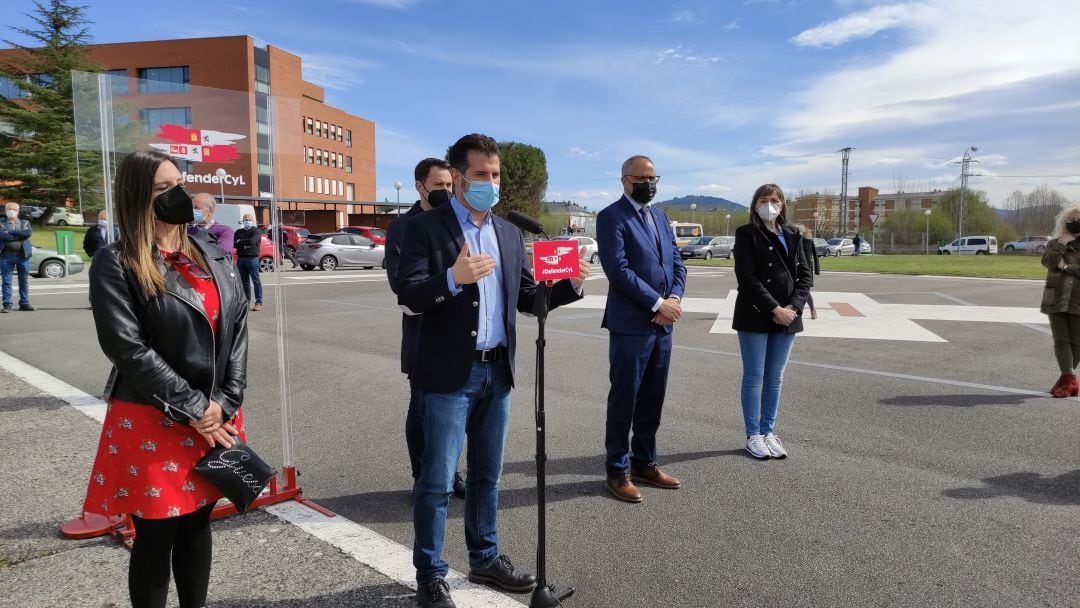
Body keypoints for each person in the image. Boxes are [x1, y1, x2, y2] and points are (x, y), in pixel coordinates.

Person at [397, 134, 588, 608]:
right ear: (458, 177)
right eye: (481, 175)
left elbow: (526, 299)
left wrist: (568, 287)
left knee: (488, 475)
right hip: (447, 376)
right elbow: (409, 293)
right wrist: (452, 280)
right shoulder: (424, 228)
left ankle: (484, 557)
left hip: (497, 372)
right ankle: (430, 574)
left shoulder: (507, 233)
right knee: (438, 482)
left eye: (496, 175)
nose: (490, 183)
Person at [83, 149, 249, 608]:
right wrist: (196, 409)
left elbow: (235, 326)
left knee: (198, 523)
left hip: (215, 410)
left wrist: (227, 400)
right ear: (138, 196)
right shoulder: (115, 262)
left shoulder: (210, 252)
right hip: (153, 415)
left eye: (179, 183)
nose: (178, 195)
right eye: (163, 188)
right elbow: (126, 348)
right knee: (155, 535)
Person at [595, 155, 686, 504]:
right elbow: (618, 270)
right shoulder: (611, 217)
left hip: (663, 326)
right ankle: (617, 471)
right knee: (625, 399)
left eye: (653, 177)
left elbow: (676, 262)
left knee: (652, 399)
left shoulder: (660, 217)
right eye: (641, 177)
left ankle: (644, 462)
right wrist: (657, 303)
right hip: (632, 326)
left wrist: (674, 297)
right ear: (624, 180)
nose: (649, 183)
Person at [385, 157, 465, 499]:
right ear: (420, 186)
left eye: (450, 185)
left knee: (455, 411)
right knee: (421, 408)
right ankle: (422, 475)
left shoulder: (458, 221)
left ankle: (450, 472)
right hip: (424, 330)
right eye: (439, 186)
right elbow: (401, 284)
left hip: (461, 329)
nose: (446, 191)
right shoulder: (405, 227)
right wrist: (449, 282)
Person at [732, 184, 812, 460]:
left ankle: (769, 431)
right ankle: (753, 434)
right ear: (755, 205)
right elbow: (747, 277)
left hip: (788, 315)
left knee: (775, 378)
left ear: (783, 205)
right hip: (756, 312)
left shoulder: (793, 234)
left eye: (775, 200)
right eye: (764, 200)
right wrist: (774, 308)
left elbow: (805, 275)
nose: (769, 205)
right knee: (755, 377)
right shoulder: (746, 234)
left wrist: (793, 306)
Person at [1040, 205, 1080, 397]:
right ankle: (1069, 379)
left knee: (1077, 342)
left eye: (1078, 220)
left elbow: (1062, 267)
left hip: (1077, 299)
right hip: (1055, 297)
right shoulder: (1055, 242)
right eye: (1070, 220)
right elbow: (1048, 262)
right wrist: (1061, 243)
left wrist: (1067, 267)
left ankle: (1067, 379)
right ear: (1064, 223)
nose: (1074, 223)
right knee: (1061, 340)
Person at [1, 202, 34, 313]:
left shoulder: (25, 223)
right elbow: (2, 236)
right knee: (6, 281)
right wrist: (18, 235)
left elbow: (27, 234)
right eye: (9, 209)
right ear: (5, 211)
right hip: (6, 256)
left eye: (14, 209)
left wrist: (10, 232)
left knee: (24, 281)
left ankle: (24, 303)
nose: (11, 211)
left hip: (23, 256)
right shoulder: (1, 223)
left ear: (18, 211)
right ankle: (7, 304)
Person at [233, 213, 264, 311]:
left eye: (249, 220)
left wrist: (240, 242)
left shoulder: (256, 231)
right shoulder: (238, 231)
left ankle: (259, 302)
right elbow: (234, 244)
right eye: (245, 219)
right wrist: (243, 243)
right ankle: (246, 302)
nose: (247, 221)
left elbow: (252, 241)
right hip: (241, 259)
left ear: (253, 221)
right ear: (242, 221)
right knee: (244, 282)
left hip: (252, 259)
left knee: (256, 281)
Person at [795, 224, 821, 319]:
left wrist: (817, 269)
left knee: (806, 291)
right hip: (794, 269)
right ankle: (796, 311)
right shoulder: (793, 240)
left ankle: (812, 309)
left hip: (806, 269)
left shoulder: (809, 241)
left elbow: (815, 255)